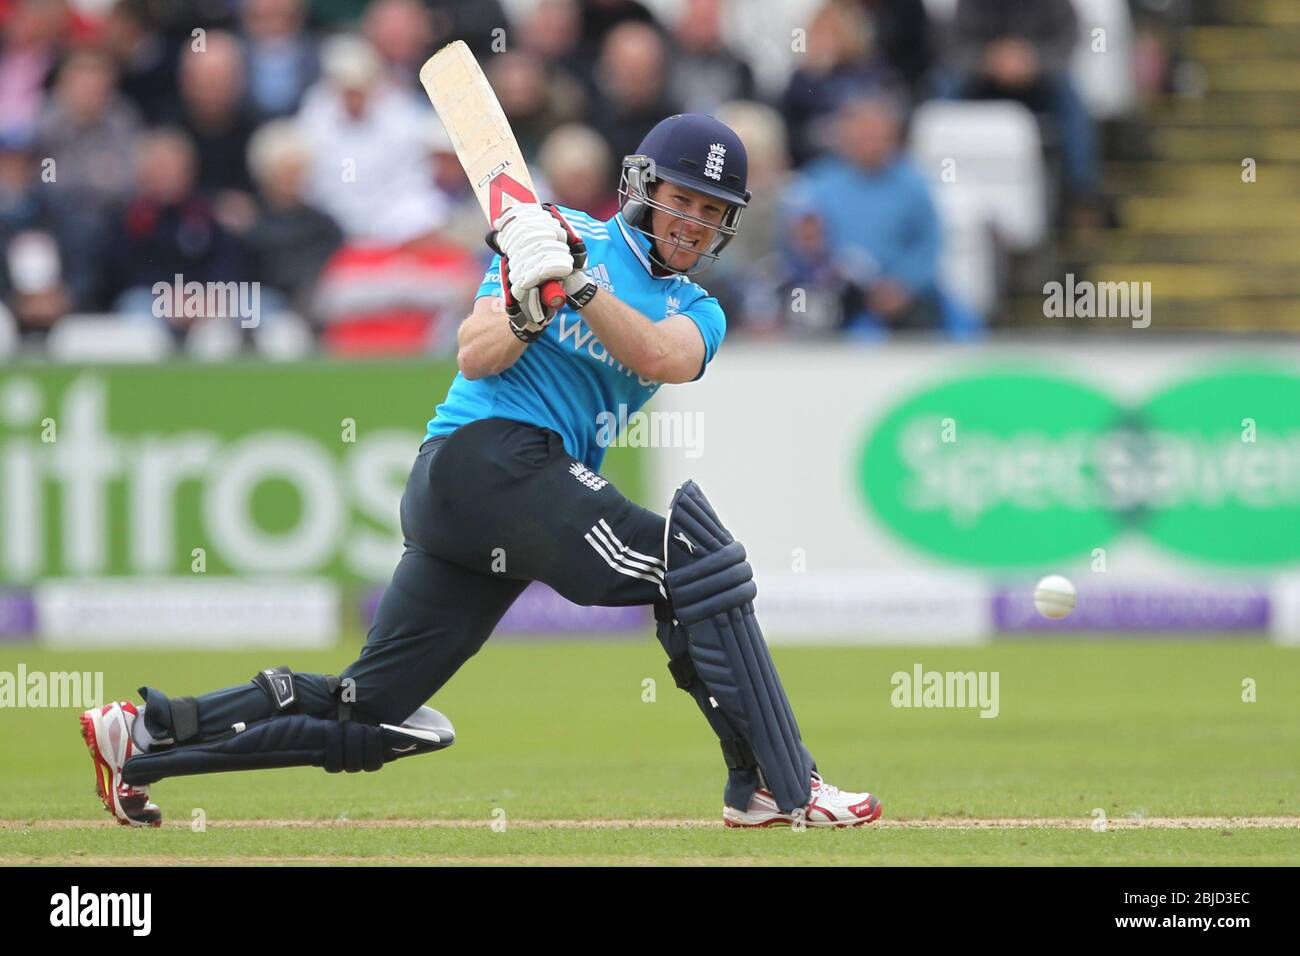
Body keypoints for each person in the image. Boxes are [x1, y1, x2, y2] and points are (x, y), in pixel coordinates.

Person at [78, 113, 883, 830]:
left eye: (712, 213)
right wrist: (533, 304)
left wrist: (576, 286)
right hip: (482, 460)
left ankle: (146, 737)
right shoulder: (557, 229)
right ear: (643, 186)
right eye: (682, 199)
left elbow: (659, 357)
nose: (693, 222)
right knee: (695, 564)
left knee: (375, 711)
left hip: (495, 507)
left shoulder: (694, 308)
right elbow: (475, 349)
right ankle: (780, 783)